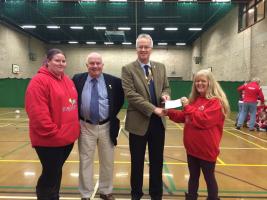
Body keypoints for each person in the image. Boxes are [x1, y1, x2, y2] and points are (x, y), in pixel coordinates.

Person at [165, 69, 230, 200]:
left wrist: (188, 106)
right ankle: (191, 197)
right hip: (192, 149)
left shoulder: (216, 102)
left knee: (209, 177)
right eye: (197, 81)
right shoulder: (195, 100)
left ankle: (213, 198)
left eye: (203, 81)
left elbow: (203, 120)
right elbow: (185, 116)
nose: (199, 83)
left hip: (206, 150)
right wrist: (169, 112)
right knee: (193, 177)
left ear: (210, 83)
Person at [25, 48, 80, 200]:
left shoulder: (67, 80)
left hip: (66, 139)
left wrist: (71, 132)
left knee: (55, 171)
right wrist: (55, 133)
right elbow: (38, 115)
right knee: (50, 174)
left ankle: (54, 196)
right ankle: (46, 196)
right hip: (49, 140)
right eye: (57, 60)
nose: (61, 63)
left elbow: (72, 106)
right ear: (47, 61)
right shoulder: (38, 81)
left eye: (63, 61)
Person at [121, 33, 170, 200]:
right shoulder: (128, 69)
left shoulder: (161, 67)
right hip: (138, 123)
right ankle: (136, 194)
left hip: (158, 123)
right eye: (140, 47)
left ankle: (156, 195)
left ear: (151, 49)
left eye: (146, 47)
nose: (143, 49)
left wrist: (165, 96)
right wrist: (153, 109)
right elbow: (131, 95)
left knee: (157, 162)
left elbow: (166, 87)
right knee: (137, 162)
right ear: (136, 49)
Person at [72, 52, 124, 200]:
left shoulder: (113, 81)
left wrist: (110, 114)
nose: (95, 66)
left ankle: (106, 191)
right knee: (85, 161)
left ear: (102, 65)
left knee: (107, 161)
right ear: (86, 65)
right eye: (92, 63)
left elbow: (119, 99)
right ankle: (85, 194)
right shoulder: (77, 79)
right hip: (85, 126)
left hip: (107, 125)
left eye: (98, 63)